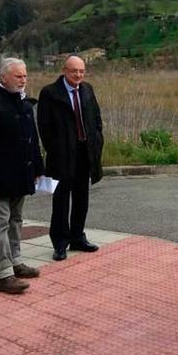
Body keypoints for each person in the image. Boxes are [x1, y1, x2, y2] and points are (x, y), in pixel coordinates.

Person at [0, 58, 44, 295]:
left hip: (21, 176)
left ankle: (16, 262)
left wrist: (37, 169)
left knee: (16, 221)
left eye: (24, 76)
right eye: (18, 76)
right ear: (4, 77)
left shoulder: (23, 103)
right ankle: (2, 276)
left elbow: (33, 139)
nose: (23, 80)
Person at [37, 55, 104, 261]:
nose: (78, 75)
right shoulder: (50, 93)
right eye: (74, 71)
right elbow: (44, 126)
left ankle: (77, 237)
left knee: (82, 198)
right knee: (61, 200)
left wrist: (97, 140)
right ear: (64, 70)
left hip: (85, 154)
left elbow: (96, 119)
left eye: (82, 71)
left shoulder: (87, 90)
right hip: (62, 156)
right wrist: (56, 149)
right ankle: (60, 243)